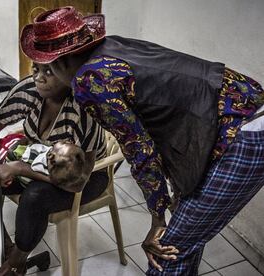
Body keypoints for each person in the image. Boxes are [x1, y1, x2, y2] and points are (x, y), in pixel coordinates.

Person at [19, 6, 264, 275]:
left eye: (48, 68)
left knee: (167, 250)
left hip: (243, 131)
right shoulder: (112, 46)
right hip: (241, 105)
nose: (45, 75)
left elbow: (139, 148)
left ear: (61, 61)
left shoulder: (89, 80)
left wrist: (157, 218)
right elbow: (162, 117)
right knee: (183, 236)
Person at [0, 63, 108, 276]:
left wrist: (20, 168)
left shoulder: (83, 110)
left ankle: (16, 262)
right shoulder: (29, 91)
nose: (38, 78)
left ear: (68, 73)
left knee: (35, 196)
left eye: (49, 72)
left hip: (86, 177)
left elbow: (79, 181)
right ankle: (2, 246)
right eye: (36, 69)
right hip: (38, 160)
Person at [0, 133, 87, 192]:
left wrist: (14, 150)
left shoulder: (36, 164)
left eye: (64, 143)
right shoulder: (57, 163)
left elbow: (11, 155)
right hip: (18, 147)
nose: (67, 141)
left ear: (51, 157)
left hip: (7, 155)